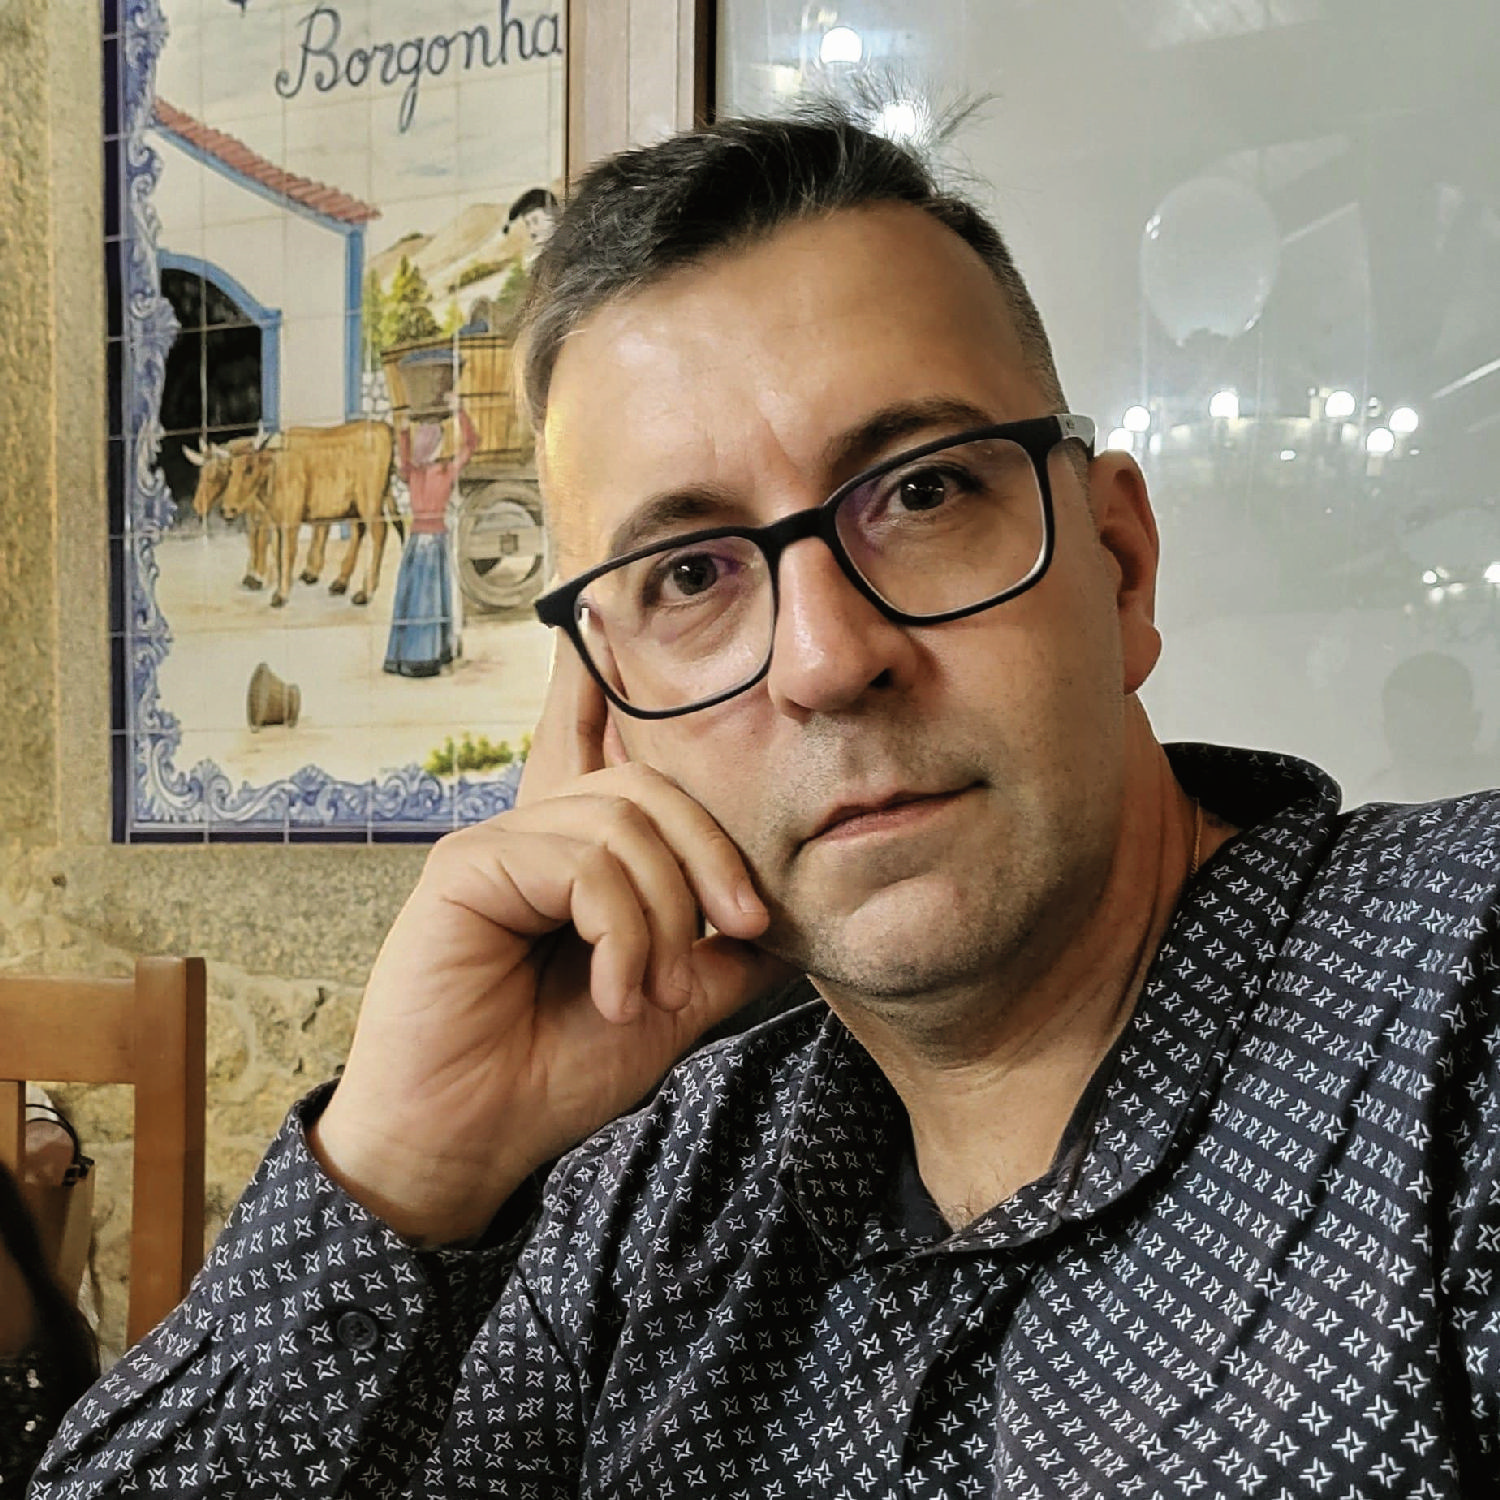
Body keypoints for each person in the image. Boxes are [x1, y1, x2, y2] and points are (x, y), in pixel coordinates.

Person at [34, 106, 1500, 1498]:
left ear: (1119, 566)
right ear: (606, 715)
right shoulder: (647, 1208)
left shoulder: (1462, 1001)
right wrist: (401, 1172)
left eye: (921, 494)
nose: (825, 660)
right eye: (689, 575)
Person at [383, 397, 478, 679]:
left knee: (411, 597)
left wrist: (403, 431)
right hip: (434, 540)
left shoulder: (412, 472)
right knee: (429, 600)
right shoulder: (444, 471)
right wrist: (459, 411)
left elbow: (403, 456)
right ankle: (425, 657)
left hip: (416, 542)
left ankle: (403, 656)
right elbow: (471, 444)